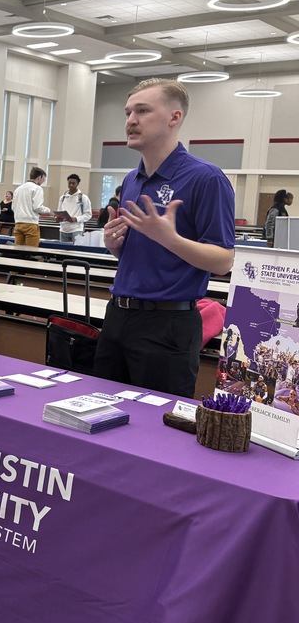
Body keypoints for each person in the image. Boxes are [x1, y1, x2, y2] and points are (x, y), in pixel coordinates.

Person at [95, 78, 235, 398]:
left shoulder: (206, 178)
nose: (131, 120)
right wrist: (116, 247)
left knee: (156, 422)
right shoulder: (132, 179)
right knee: (103, 409)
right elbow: (148, 255)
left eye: (143, 111)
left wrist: (169, 238)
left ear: (174, 117)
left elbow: (223, 261)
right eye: (128, 112)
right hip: (118, 315)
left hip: (168, 324)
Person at [11, 167, 50, 247]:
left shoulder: (18, 189)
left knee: (17, 251)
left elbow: (13, 207)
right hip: (31, 224)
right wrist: (48, 211)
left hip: (18, 223)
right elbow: (37, 207)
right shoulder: (37, 188)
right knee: (31, 251)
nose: (43, 181)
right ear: (39, 178)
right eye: (43, 179)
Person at [55, 173, 92, 243]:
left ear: (77, 184)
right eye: (69, 183)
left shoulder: (83, 198)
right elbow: (59, 211)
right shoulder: (62, 198)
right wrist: (58, 218)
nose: (71, 185)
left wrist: (76, 219)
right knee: (62, 249)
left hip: (77, 229)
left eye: (73, 183)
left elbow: (88, 215)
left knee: (76, 249)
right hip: (63, 229)